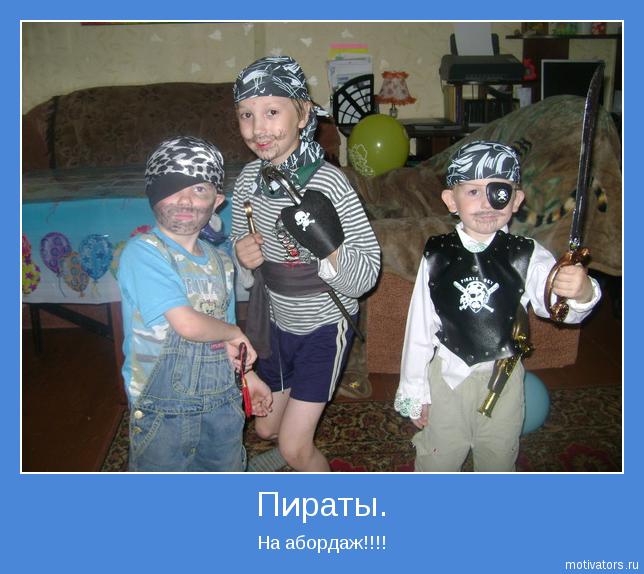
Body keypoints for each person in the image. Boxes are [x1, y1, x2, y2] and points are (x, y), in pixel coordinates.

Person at [394, 140, 601, 472]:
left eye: (499, 191)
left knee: (499, 456)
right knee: (437, 458)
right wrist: (415, 390)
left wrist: (580, 291)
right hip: (447, 376)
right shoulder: (437, 253)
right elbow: (420, 326)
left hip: (503, 378)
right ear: (451, 200)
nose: (486, 203)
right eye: (472, 191)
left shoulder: (527, 254)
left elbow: (557, 307)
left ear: (516, 199)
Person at [230, 56, 381, 472]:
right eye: (246, 115)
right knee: (265, 429)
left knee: (296, 447)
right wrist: (243, 258)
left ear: (302, 115)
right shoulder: (247, 182)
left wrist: (328, 248)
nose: (258, 128)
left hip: (325, 325)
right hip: (276, 323)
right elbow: (240, 262)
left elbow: (367, 275)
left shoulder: (329, 182)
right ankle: (290, 441)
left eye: (271, 112)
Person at [117, 135, 272, 472]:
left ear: (217, 201)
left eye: (199, 189)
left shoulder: (222, 262)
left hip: (221, 407)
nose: (186, 199)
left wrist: (249, 376)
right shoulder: (143, 253)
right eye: (173, 187)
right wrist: (235, 333)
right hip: (162, 415)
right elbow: (187, 324)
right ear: (153, 193)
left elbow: (225, 337)